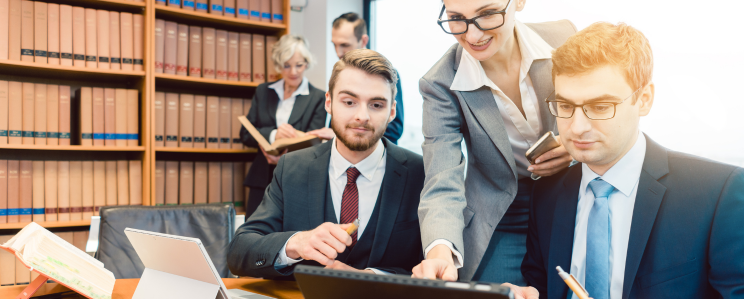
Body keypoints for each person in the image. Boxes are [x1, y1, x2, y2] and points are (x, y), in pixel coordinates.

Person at [521, 22, 744, 299]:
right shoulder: (546, 194)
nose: (576, 127)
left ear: (645, 99)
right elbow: (540, 285)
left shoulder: (718, 193)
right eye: (565, 106)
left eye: (600, 107)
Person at [413, 0, 576, 288]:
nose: (472, 36)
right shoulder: (439, 84)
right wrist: (440, 250)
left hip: (571, 199)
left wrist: (574, 144)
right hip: (502, 212)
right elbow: (442, 177)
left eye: (487, 14)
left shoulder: (564, 40)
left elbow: (602, 115)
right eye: (456, 18)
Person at [227, 49, 425, 279]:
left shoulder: (420, 173)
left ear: (392, 111)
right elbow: (239, 251)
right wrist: (295, 243)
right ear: (329, 103)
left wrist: (370, 278)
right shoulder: (291, 168)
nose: (362, 116)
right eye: (349, 101)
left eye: (376, 105)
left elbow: (435, 266)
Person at [239, 35, 328, 217]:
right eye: (287, 65)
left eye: (299, 65)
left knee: (289, 235)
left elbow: (314, 143)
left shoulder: (318, 97)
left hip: (297, 178)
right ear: (279, 65)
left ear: (307, 63)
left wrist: (287, 153)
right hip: (262, 177)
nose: (293, 71)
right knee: (253, 235)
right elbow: (245, 134)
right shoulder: (264, 91)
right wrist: (273, 135)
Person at [308, 12, 404, 145]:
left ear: (363, 41)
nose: (338, 52)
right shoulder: (340, 72)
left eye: (345, 45)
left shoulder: (385, 76)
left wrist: (341, 133)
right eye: (334, 45)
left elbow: (394, 130)